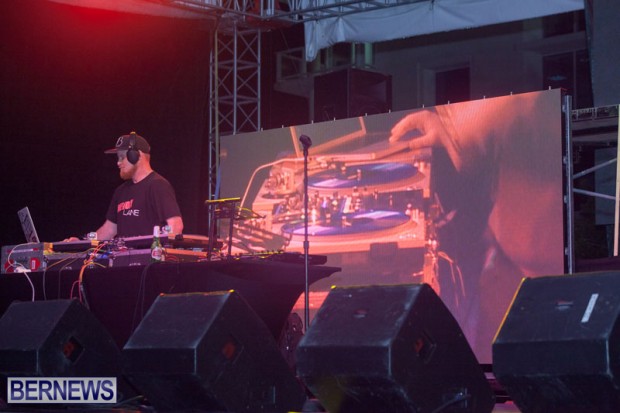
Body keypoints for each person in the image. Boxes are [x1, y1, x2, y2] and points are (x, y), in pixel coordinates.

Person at [388, 90, 565, 362]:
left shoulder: (525, 113)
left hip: (531, 282)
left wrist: (454, 130)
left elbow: (502, 115)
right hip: (508, 268)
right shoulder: (498, 270)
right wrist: (447, 131)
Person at [92, 132, 183, 240]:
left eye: (122, 157)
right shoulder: (120, 191)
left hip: (149, 251)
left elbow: (176, 226)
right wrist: (83, 243)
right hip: (124, 251)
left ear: (137, 155)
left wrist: (157, 248)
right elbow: (109, 229)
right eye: (118, 158)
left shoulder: (158, 185)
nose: (118, 163)